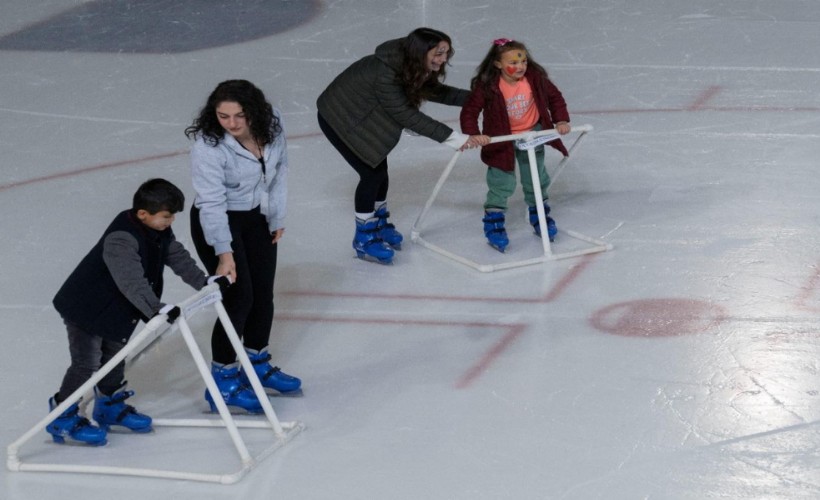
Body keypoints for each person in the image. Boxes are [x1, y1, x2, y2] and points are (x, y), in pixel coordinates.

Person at [48, 178, 229, 446]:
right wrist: (156, 309)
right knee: (87, 362)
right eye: (166, 216)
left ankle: (108, 405)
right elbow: (130, 279)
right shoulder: (121, 239)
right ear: (143, 214)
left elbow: (176, 256)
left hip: (117, 309)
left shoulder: (157, 230)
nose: (171, 222)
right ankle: (62, 414)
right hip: (86, 308)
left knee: (114, 356)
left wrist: (203, 282)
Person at [317, 27, 485, 264]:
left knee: (379, 171)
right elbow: (405, 115)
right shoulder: (386, 74)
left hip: (365, 115)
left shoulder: (410, 65)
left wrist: (480, 99)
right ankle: (364, 238)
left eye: (446, 53)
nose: (443, 59)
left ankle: (379, 222)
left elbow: (435, 91)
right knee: (371, 174)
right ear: (421, 51)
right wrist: (454, 138)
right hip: (341, 118)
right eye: (438, 53)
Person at [186, 79, 301, 414]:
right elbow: (210, 203)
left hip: (256, 217)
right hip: (219, 221)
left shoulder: (273, 124)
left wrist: (276, 217)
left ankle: (256, 363)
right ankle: (222, 380)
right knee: (239, 298)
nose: (232, 124)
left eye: (239, 116)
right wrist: (224, 252)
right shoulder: (208, 147)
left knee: (263, 294)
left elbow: (279, 172)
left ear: (255, 111)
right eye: (223, 116)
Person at [460, 38, 571, 252]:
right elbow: (470, 111)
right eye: (513, 62)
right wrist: (474, 134)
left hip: (532, 134)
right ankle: (494, 218)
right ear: (498, 64)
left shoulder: (535, 79)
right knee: (501, 181)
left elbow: (555, 98)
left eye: (523, 61)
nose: (520, 67)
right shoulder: (488, 85)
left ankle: (539, 211)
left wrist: (561, 120)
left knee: (536, 177)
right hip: (502, 139)